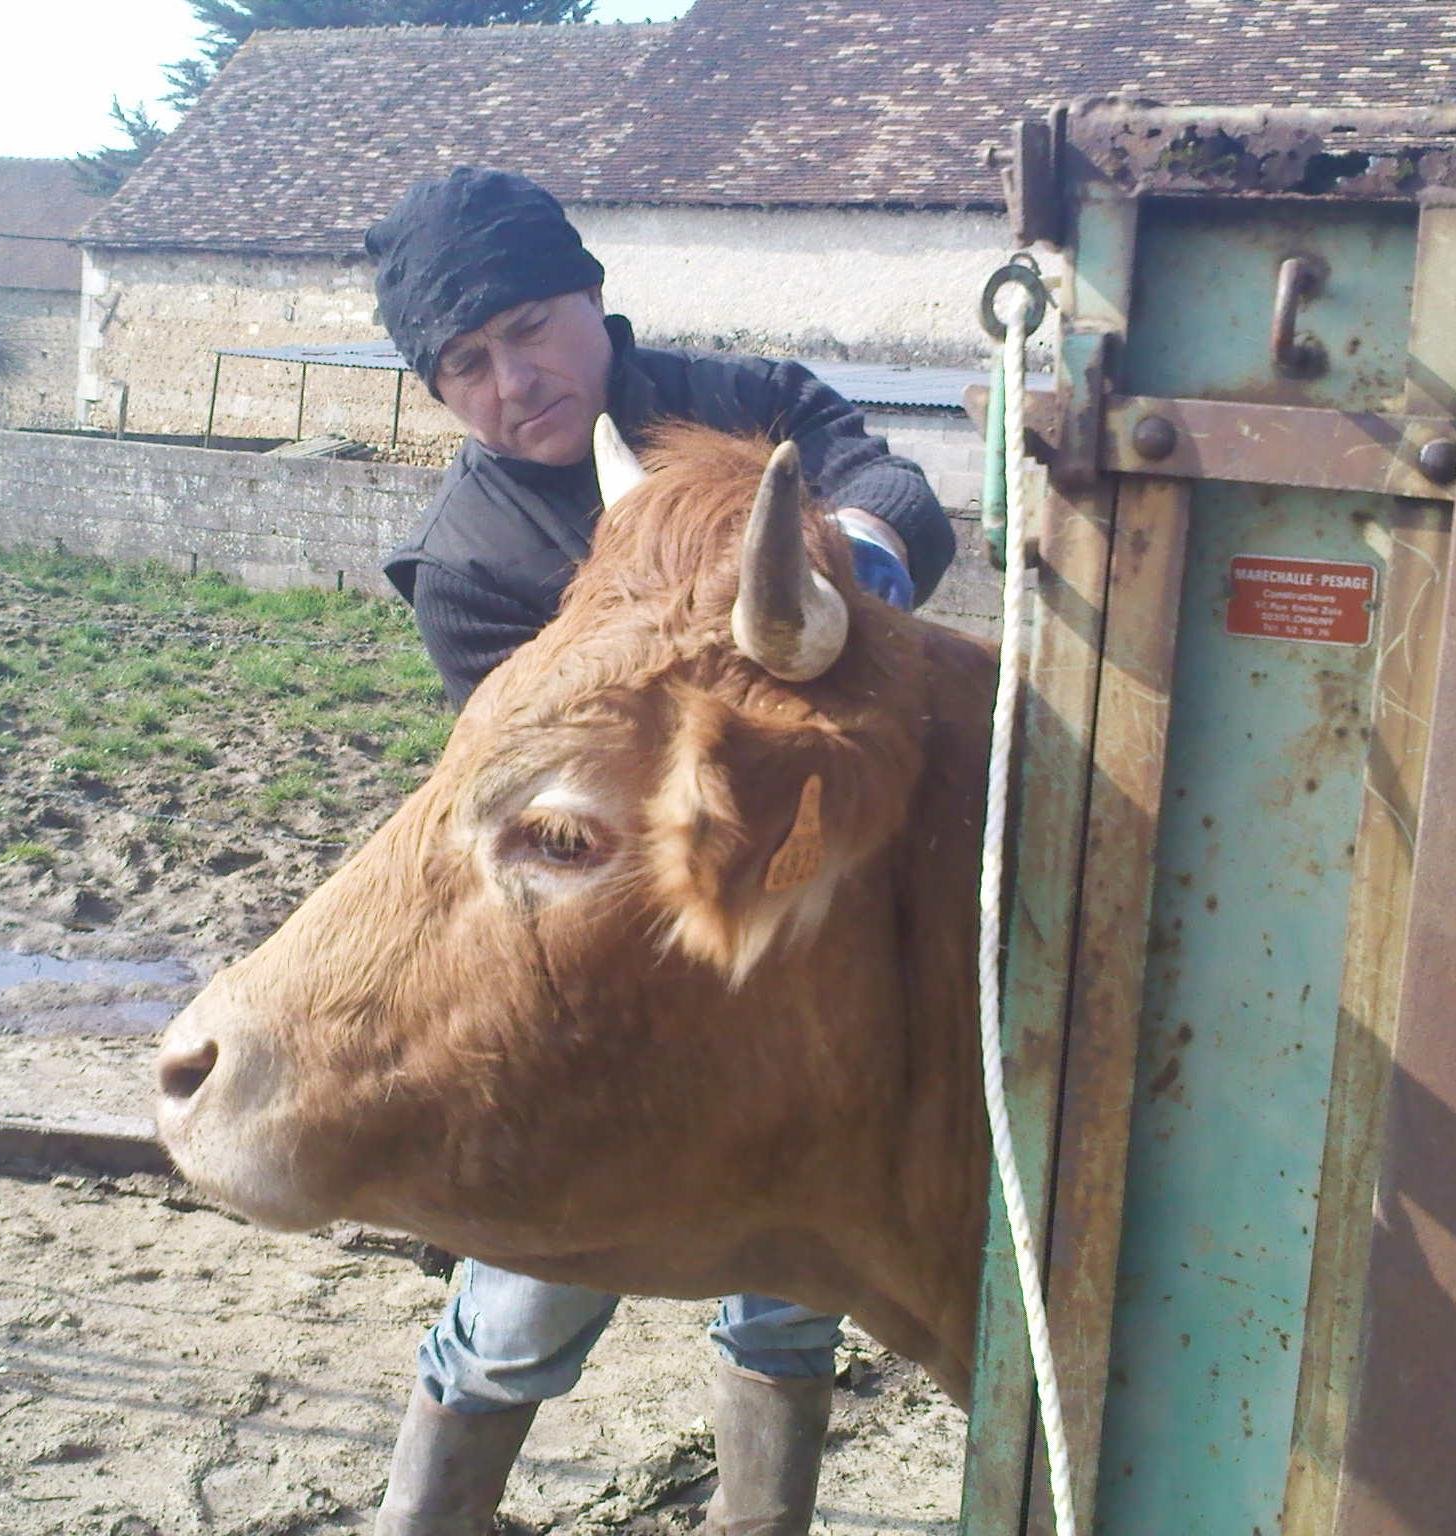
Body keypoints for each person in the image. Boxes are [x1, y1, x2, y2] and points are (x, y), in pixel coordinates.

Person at [368, 166, 956, 1536]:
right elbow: (561, 834)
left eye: (528, 326)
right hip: (617, 973)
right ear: (439, 390)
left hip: (808, 933)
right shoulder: (468, 565)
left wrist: (853, 568)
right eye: (466, 364)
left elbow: (889, 482)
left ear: (592, 296)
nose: (513, 380)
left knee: (795, 1281)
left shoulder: (747, 402)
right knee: (527, 1275)